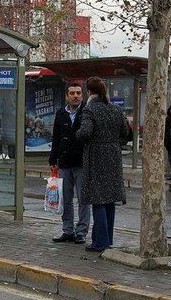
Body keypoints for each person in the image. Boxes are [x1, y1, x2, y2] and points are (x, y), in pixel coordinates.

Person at [76, 77, 130, 252]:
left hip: (96, 156)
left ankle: (100, 242)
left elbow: (85, 132)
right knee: (109, 200)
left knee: (98, 199)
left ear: (89, 92)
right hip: (113, 156)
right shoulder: (115, 109)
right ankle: (108, 239)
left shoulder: (89, 110)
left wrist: (77, 135)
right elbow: (125, 132)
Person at [49, 83, 90, 244]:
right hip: (64, 163)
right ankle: (67, 230)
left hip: (81, 163)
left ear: (82, 95)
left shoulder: (86, 112)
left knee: (83, 199)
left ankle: (81, 232)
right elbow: (56, 138)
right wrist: (53, 160)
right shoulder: (61, 113)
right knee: (66, 199)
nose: (75, 96)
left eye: (78, 93)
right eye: (72, 93)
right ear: (67, 95)